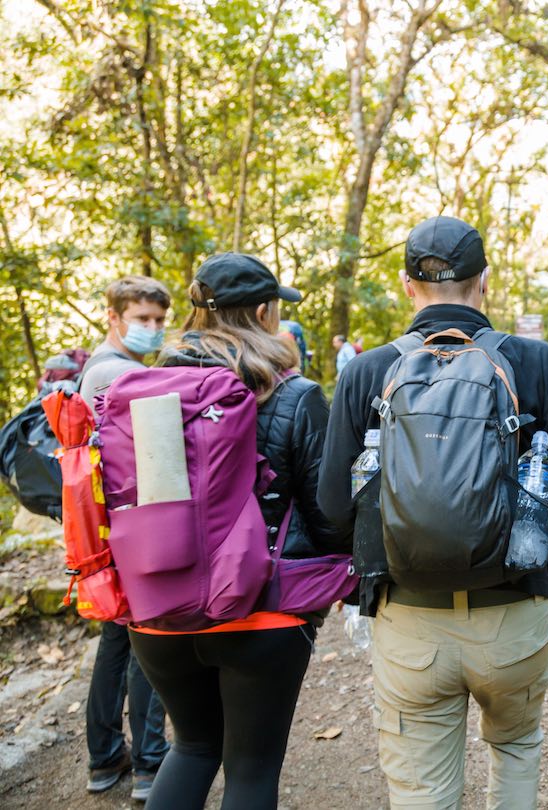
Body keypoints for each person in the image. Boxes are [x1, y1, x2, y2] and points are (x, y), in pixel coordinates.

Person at [318, 216, 548, 808]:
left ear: (405, 286)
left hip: (409, 621)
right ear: (485, 282)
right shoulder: (537, 363)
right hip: (514, 617)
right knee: (517, 745)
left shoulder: (367, 372)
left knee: (423, 789)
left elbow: (331, 508)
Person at [126, 253, 351, 809]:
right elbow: (329, 519)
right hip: (262, 608)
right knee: (250, 771)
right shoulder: (296, 395)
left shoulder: (146, 390)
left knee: (193, 748)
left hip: (158, 609)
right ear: (263, 312)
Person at [78, 275, 172, 801]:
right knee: (147, 643)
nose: (153, 329)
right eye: (142, 320)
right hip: (134, 527)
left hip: (106, 525)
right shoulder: (122, 374)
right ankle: (149, 763)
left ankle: (104, 757)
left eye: (159, 320)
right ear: (113, 318)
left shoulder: (96, 367)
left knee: (115, 642)